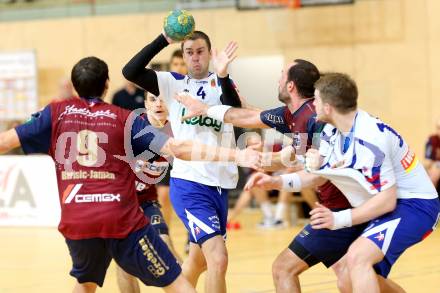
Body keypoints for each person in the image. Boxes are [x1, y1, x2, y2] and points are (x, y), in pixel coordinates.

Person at [0, 56, 259, 293]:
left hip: (82, 217)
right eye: (152, 100)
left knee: (86, 282)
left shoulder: (55, 113)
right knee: (170, 279)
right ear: (107, 84)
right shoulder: (125, 119)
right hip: (120, 214)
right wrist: (237, 155)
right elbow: (179, 149)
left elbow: (5, 142)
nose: (158, 104)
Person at [174, 59, 368, 292]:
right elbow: (250, 117)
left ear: (291, 86)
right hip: (341, 207)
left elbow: (311, 166)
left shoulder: (314, 119)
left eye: (282, 74)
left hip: (344, 209)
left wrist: (275, 174)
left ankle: (275, 215)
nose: (278, 78)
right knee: (348, 278)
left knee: (283, 269)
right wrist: (219, 91)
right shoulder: (294, 114)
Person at [260, 72, 439, 293]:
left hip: (415, 205)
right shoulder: (331, 130)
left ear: (328, 107)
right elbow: (318, 174)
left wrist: (338, 218)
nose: (312, 104)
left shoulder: (370, 139)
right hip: (383, 202)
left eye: (315, 99)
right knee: (346, 278)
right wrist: (276, 183)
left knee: (357, 258)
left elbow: (387, 201)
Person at [123, 30, 243, 293]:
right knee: (218, 260)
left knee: (197, 263)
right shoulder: (173, 82)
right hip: (190, 184)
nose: (195, 57)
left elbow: (237, 112)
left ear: (210, 54)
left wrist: (223, 75)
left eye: (200, 51)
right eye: (189, 52)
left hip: (220, 184)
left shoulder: (221, 83)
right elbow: (130, 71)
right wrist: (164, 39)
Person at [115, 92, 183, 293]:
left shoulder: (177, 129)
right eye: (153, 99)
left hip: (146, 201)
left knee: (166, 246)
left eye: (163, 99)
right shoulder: (133, 127)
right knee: (124, 263)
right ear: (146, 104)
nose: (158, 104)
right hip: (121, 204)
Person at [425, 119, 440, 193]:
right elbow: (428, 162)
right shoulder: (432, 140)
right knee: (435, 171)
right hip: (435, 167)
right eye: (439, 128)